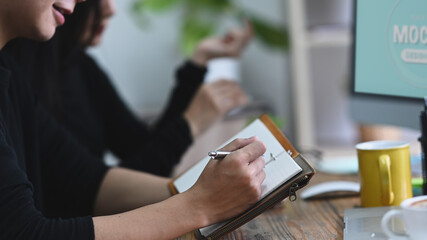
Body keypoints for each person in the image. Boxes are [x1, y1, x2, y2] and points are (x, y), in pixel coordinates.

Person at [0, 0, 266, 239]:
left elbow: (86, 180)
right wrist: (199, 204)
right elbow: (25, 232)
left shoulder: (11, 75)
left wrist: (211, 189)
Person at [6, 0, 253, 177]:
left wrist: (198, 61)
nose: (110, 9)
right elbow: (87, 196)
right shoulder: (17, 75)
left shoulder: (80, 67)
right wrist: (190, 124)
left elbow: (136, 153)